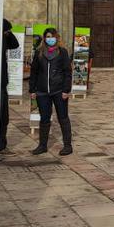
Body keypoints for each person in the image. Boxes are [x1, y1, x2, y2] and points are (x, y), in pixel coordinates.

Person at [28, 28, 74, 156]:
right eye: (47, 36)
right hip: (42, 92)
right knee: (44, 119)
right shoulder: (39, 53)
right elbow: (34, 72)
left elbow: (67, 72)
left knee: (63, 118)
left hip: (59, 91)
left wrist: (66, 90)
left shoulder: (62, 52)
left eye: (52, 36)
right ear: (44, 38)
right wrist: (32, 89)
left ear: (56, 38)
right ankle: (42, 146)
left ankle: (67, 146)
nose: (50, 39)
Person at [0, 19, 20, 154]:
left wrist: (8, 31)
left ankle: (1, 146)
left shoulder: (4, 38)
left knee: (4, 117)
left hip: (2, 83)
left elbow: (15, 44)